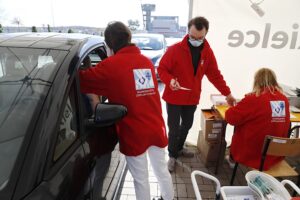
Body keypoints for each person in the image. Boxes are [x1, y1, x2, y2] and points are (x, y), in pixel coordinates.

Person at [79, 21, 174, 200]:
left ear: (109, 44)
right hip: (156, 127)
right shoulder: (145, 61)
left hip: (134, 131)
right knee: (161, 171)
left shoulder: (110, 66)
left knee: (141, 179)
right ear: (129, 38)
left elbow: (81, 80)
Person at [157, 16, 236, 172]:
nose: (195, 40)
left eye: (200, 38)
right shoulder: (174, 50)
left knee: (186, 125)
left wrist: (227, 93)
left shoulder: (208, 52)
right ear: (188, 31)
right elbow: (161, 69)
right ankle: (172, 155)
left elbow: (215, 75)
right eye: (192, 37)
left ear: (205, 34)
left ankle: (179, 148)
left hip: (191, 98)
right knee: (173, 127)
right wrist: (170, 80)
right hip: (173, 96)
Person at [225, 68, 290, 170]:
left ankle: (232, 159)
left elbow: (231, 118)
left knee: (240, 128)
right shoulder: (284, 99)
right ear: (274, 81)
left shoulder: (254, 99)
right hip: (276, 154)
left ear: (257, 81)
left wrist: (231, 107)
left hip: (255, 153)